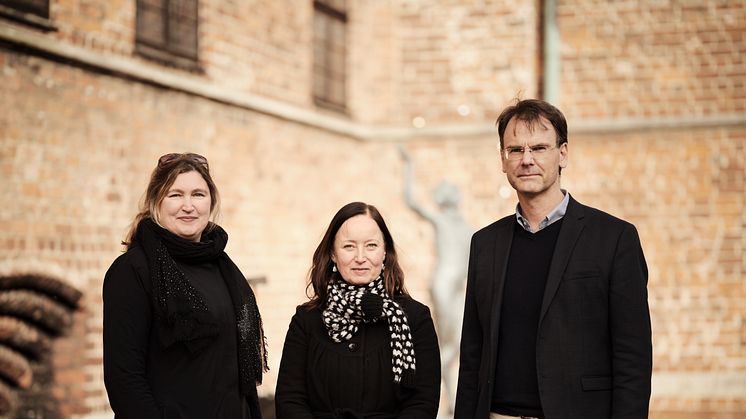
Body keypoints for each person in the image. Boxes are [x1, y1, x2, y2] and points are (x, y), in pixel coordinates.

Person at [454, 99, 652, 419]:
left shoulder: (614, 239)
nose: (527, 160)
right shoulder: (485, 244)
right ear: (503, 160)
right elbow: (472, 357)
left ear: (563, 154)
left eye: (539, 148)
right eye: (515, 150)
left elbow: (633, 360)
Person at [103, 152, 268, 419]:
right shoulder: (133, 271)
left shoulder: (223, 267)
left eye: (198, 195)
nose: (188, 206)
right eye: (175, 195)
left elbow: (240, 378)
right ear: (156, 202)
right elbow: (125, 382)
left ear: (211, 201)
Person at [275, 202, 441, 418]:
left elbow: (423, 402)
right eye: (349, 246)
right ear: (333, 254)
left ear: (385, 252)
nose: (360, 257)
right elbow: (290, 399)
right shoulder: (306, 320)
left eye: (371, 245)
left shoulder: (415, 318)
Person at [400, 146, 473, 415]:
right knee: (448, 347)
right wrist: (409, 167)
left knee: (452, 346)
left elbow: (470, 270)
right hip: (444, 286)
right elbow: (411, 201)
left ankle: (451, 403)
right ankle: (430, 400)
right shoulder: (444, 222)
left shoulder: (469, 230)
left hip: (454, 289)